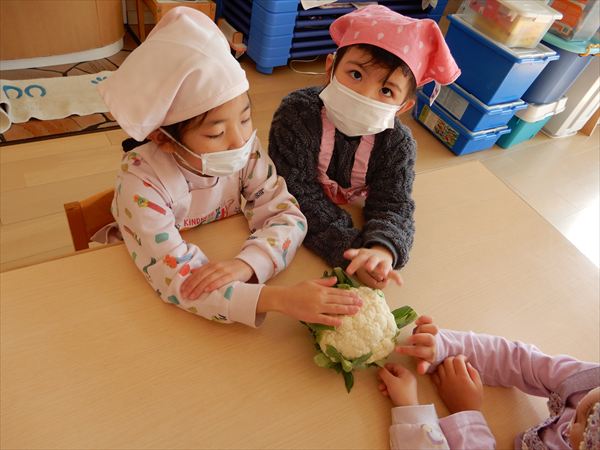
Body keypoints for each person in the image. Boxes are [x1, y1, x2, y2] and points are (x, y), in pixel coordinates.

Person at [96, 7, 362, 328]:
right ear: (164, 139)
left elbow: (287, 215)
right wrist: (278, 299)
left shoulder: (246, 149)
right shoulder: (141, 183)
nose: (240, 141)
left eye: (246, 118)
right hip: (133, 290)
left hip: (218, 248)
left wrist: (248, 263)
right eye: (216, 133)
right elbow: (179, 281)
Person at [268, 5, 460, 289]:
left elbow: (394, 203)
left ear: (402, 107)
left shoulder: (398, 145)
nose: (364, 95)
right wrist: (351, 248)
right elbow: (295, 191)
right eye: (356, 74)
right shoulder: (296, 115)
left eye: (386, 91)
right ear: (331, 68)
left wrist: (381, 250)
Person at [375, 316, 600, 449]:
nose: (569, 428)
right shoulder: (590, 381)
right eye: (587, 409)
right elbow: (519, 361)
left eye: (580, 440)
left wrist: (462, 411)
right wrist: (443, 347)